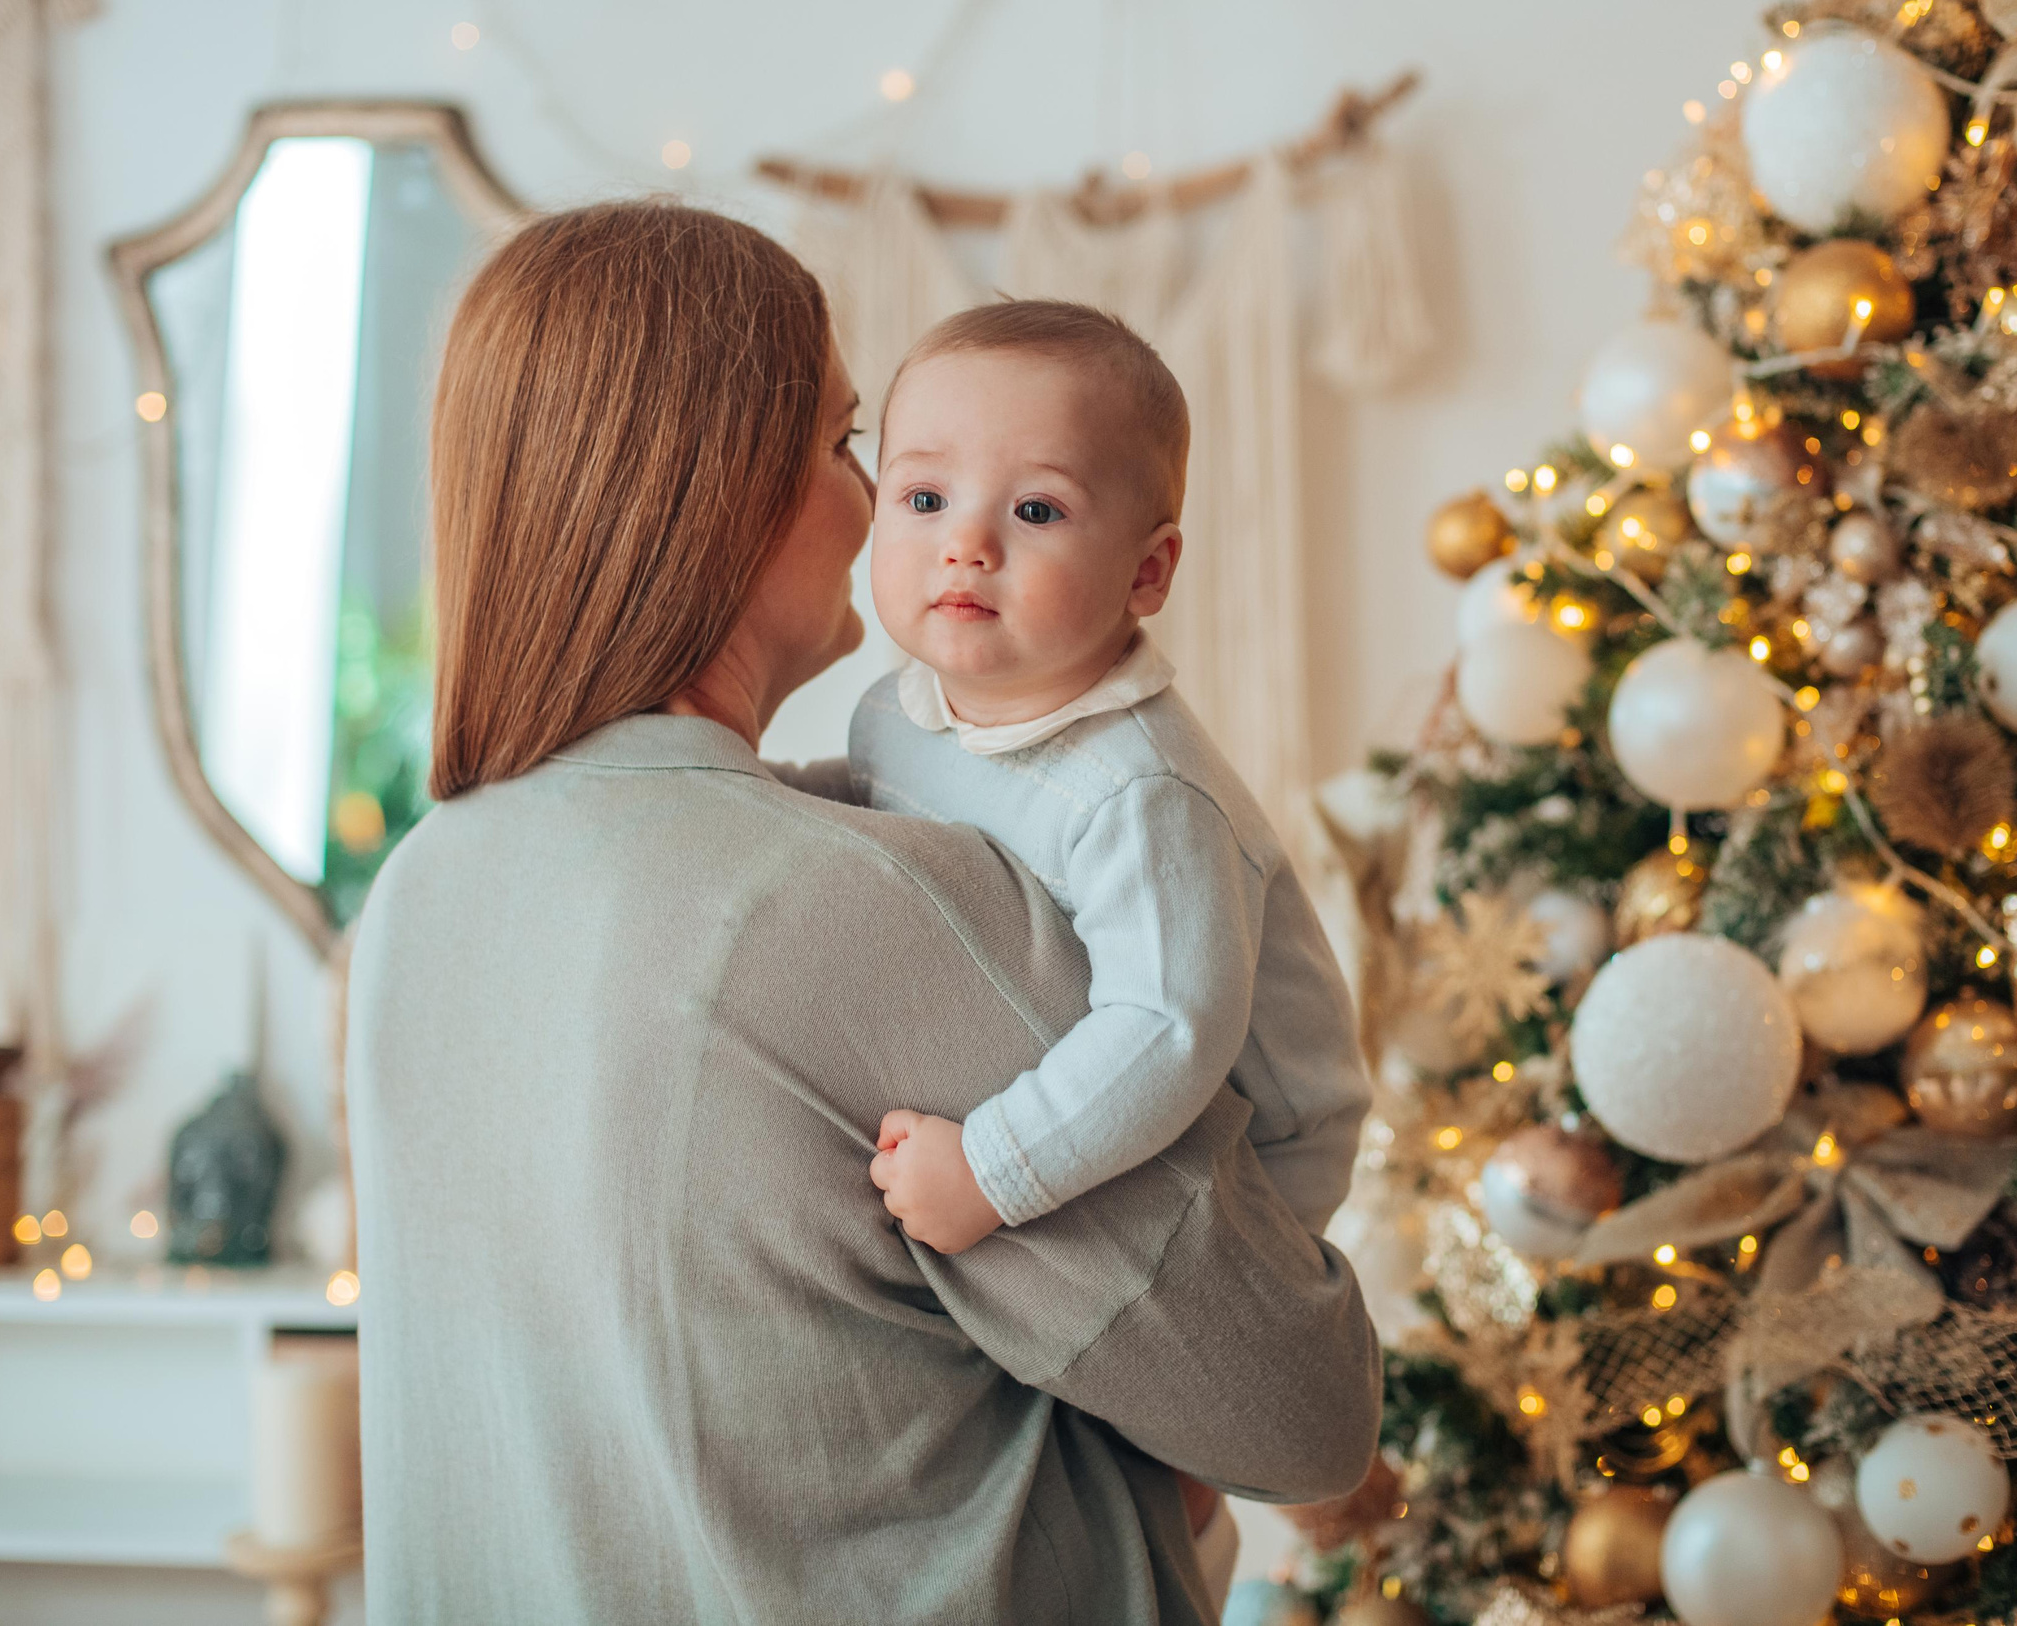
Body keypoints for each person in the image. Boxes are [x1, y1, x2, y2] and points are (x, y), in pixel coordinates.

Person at [346, 201, 1380, 1625]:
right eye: (854, 448)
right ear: (722, 491)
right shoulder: (873, 900)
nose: (890, 510)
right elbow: (1304, 1414)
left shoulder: (430, 884)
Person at [853, 300, 1370, 1256]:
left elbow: (1167, 1025)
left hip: (1247, 1151)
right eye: (924, 499)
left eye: (1036, 510)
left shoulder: (1139, 793)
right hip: (1091, 1068)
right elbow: (868, 812)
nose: (966, 544)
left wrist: (991, 1170)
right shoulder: (896, 711)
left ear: (1147, 573)